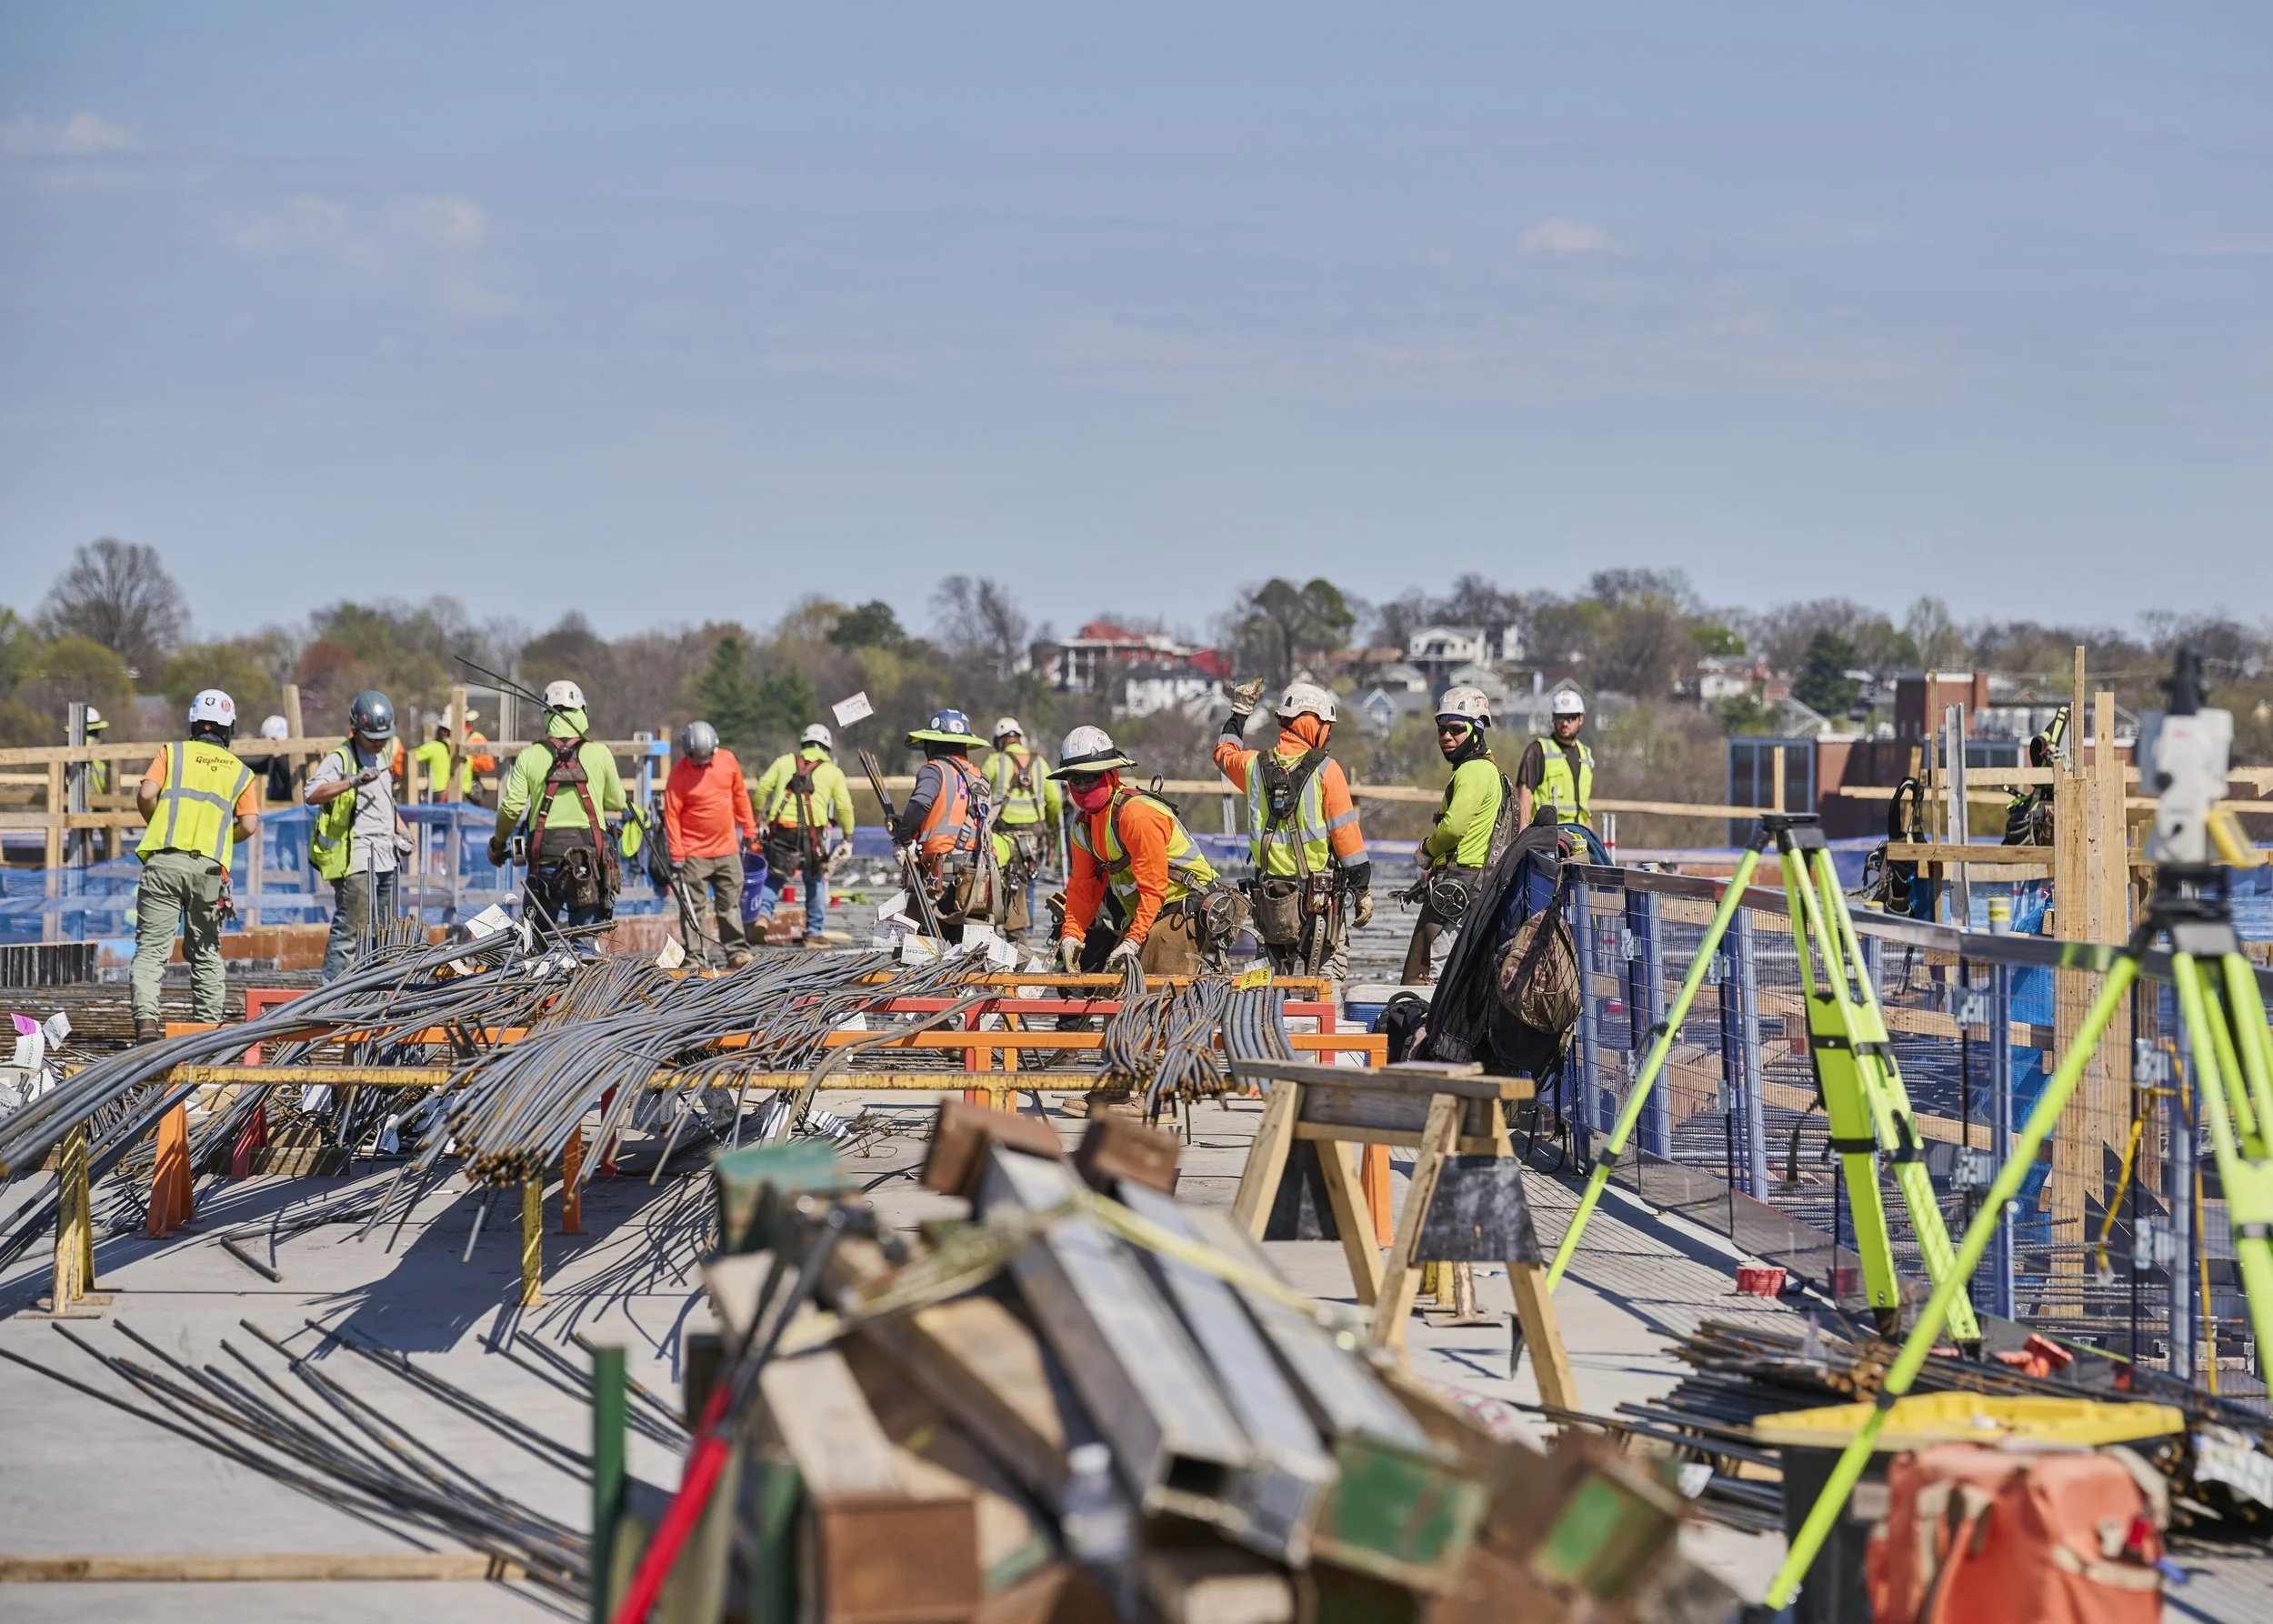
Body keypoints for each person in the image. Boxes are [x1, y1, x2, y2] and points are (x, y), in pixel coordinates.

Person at [1212, 679, 1372, 980]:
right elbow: (1346, 836)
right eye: (1326, 724)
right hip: (1318, 905)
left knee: (1266, 992)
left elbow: (1223, 752)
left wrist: (1240, 712)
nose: (1328, 733)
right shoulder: (1327, 770)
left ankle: (1264, 1027)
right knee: (1325, 984)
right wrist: (1362, 889)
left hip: (1269, 900)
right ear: (1311, 721)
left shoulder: (1253, 767)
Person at [1052, 727, 1240, 976]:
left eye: (1091, 777)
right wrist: (1071, 935)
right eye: (1076, 779)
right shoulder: (1083, 827)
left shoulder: (1135, 815)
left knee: (1156, 996)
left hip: (1183, 909)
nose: (1083, 786)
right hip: (1149, 914)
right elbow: (1083, 887)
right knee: (1113, 996)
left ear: (1110, 774)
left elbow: (1154, 886)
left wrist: (1133, 940)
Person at [130, 690, 260, 1042]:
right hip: (209, 871)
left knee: (151, 951)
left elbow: (145, 794)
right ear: (228, 729)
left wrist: (157, 822)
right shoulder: (241, 772)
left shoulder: (172, 753)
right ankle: (205, 1032)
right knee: (205, 951)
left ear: (193, 723)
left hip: (164, 863)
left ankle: (146, 1024)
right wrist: (222, 836)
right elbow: (248, 824)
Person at [488, 679, 627, 937]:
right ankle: (583, 977)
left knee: (536, 946)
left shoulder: (530, 756)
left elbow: (511, 809)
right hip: (588, 862)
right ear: (582, 713)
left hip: (544, 862)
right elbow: (617, 802)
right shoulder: (600, 754)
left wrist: (498, 845)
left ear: (547, 716)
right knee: (584, 945)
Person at [1401, 686, 1509, 986]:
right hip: (1475, 887)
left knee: (1433, 979)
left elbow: (1452, 828)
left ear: (1476, 730)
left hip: (1460, 889)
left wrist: (1426, 849)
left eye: (1456, 729)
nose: (1446, 737)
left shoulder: (1473, 771)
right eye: (1442, 729)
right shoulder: (1488, 771)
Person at [306, 689, 413, 980]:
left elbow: (384, 802)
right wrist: (351, 781)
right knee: (351, 931)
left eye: (383, 738)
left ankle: (373, 997)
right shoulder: (341, 758)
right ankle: (331, 998)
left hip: (386, 858)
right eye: (373, 738)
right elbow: (312, 793)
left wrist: (401, 829)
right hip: (357, 859)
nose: (379, 744)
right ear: (356, 730)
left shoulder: (384, 756)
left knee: (385, 935)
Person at [889, 709, 992, 939]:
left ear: (933, 744)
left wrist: (903, 839)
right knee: (968, 948)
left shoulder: (934, 770)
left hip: (940, 871)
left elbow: (920, 804)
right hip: (977, 872)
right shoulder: (980, 777)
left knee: (917, 946)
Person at [750, 722, 856, 945]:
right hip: (812, 837)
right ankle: (815, 932)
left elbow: (761, 789)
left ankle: (762, 917)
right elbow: (845, 807)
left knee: (775, 878)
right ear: (827, 748)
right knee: (815, 879)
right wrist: (847, 837)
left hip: (782, 833)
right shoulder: (832, 772)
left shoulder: (784, 762)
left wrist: (757, 816)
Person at [664, 719, 757, 966]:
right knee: (694, 907)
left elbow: (740, 796)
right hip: (694, 853)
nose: (702, 765)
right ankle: (694, 956)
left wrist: (749, 828)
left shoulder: (728, 761)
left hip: (726, 850)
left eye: (706, 760)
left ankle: (737, 952)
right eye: (697, 761)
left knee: (730, 904)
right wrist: (677, 853)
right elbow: (671, 815)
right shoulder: (678, 775)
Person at [985, 717, 1062, 938]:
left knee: (998, 881)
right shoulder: (1039, 762)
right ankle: (1023, 933)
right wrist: (1051, 825)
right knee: (1027, 881)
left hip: (1001, 836)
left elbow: (978, 794)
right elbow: (1055, 799)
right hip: (1033, 838)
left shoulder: (994, 761)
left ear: (999, 741)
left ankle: (995, 931)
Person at [1514, 688, 1594, 836]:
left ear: (1580, 719)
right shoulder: (1538, 750)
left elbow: (1583, 807)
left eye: (1571, 717)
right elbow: (1525, 791)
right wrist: (1522, 834)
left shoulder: (1585, 754)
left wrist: (1594, 840)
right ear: (1553, 718)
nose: (1565, 723)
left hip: (1580, 837)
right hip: (1546, 836)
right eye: (1560, 717)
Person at [408, 708, 481, 802]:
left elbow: (409, 757)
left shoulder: (434, 747)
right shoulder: (463, 752)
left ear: (444, 731)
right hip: (462, 796)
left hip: (439, 794)